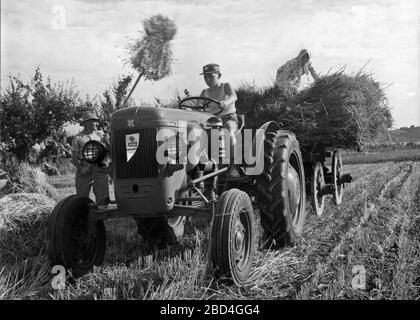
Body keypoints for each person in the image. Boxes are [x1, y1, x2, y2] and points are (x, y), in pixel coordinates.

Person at [198, 63, 240, 176]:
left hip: (229, 118)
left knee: (227, 130)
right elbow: (198, 106)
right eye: (205, 77)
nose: (207, 79)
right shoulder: (204, 92)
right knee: (196, 133)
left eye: (211, 76)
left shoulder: (225, 86)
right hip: (212, 121)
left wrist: (226, 102)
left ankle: (233, 165)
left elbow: (233, 96)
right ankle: (201, 165)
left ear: (219, 75)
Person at [71, 111, 110, 204]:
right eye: (94, 121)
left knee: (102, 193)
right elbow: (74, 158)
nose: (97, 123)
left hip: (100, 165)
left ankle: (102, 215)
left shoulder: (100, 135)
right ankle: (83, 216)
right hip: (85, 166)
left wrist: (107, 141)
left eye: (97, 121)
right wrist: (81, 169)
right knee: (82, 195)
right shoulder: (77, 138)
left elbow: (108, 151)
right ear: (86, 123)